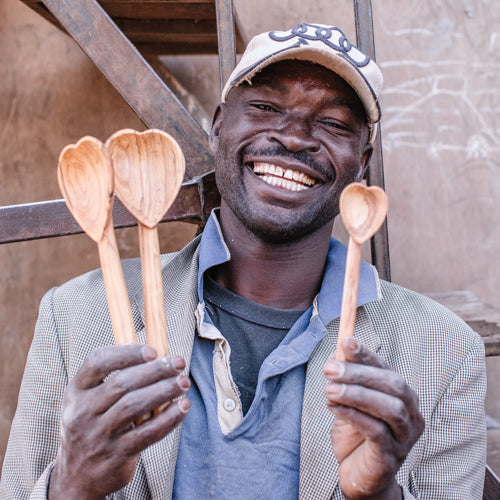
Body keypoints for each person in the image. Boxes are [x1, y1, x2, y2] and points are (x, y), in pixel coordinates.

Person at [1, 22, 486, 500]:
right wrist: (72, 486)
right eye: (265, 107)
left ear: (362, 162)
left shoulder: (443, 352)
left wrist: (378, 494)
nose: (295, 136)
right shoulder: (76, 316)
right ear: (218, 127)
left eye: (334, 123)